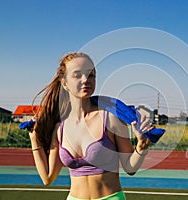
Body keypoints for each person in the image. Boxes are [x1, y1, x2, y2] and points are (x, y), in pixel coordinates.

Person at [29, 52, 152, 200]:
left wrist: (141, 148)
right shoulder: (59, 128)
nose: (86, 80)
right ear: (64, 82)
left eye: (91, 75)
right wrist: (34, 139)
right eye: (77, 75)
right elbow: (47, 178)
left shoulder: (111, 118)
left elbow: (130, 168)